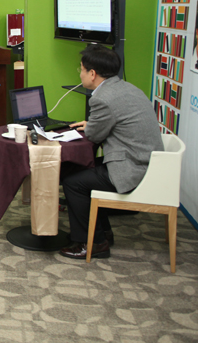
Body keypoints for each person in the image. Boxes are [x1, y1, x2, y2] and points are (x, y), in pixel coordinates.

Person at [60, 45, 164, 259]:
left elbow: (96, 136)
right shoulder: (126, 88)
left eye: (80, 69)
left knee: (73, 182)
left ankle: (92, 244)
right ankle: (103, 233)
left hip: (132, 169)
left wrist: (91, 126)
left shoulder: (102, 99)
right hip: (147, 164)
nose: (79, 74)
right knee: (79, 172)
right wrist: (93, 124)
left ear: (92, 73)